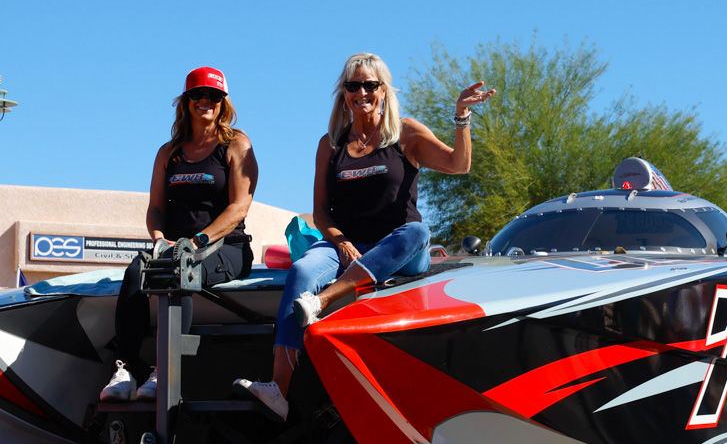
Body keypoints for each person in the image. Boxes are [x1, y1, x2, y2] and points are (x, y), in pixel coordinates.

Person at [234, 53, 495, 421]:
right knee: (302, 271)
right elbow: (321, 212)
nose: (362, 92)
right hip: (348, 246)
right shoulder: (331, 144)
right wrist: (340, 243)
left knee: (418, 231)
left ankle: (323, 300)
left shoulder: (406, 133)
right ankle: (279, 388)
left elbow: (459, 164)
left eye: (370, 85)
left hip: (400, 247)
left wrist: (462, 116)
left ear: (384, 91)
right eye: (353, 86)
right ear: (344, 93)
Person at [100, 66, 258, 401]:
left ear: (223, 102)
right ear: (186, 101)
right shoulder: (168, 152)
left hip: (226, 246)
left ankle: (164, 371)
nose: (206, 101)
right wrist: (159, 239)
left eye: (214, 95)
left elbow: (238, 209)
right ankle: (125, 370)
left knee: (180, 271)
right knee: (135, 270)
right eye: (198, 94)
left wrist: (197, 241)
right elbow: (155, 208)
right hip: (173, 247)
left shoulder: (236, 144)